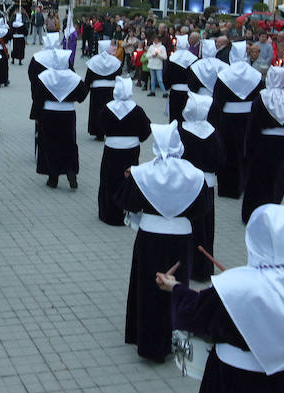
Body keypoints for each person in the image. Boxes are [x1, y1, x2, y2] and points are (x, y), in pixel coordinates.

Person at [158, 204, 284, 392]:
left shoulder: (235, 288)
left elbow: (192, 314)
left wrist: (175, 287)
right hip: (283, 380)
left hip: (232, 378)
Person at [117, 121, 210, 362]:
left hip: (149, 238)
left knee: (148, 287)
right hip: (181, 240)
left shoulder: (144, 172)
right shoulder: (194, 175)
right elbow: (202, 209)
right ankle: (175, 336)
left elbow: (127, 201)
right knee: (177, 287)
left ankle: (149, 342)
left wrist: (132, 177)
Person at [241, 67, 284, 223]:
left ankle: (251, 212)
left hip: (262, 142)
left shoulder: (261, 98)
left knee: (257, 177)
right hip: (283, 143)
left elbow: (253, 125)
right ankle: (272, 210)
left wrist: (248, 147)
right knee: (278, 177)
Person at [178, 92, 223, 282]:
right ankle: (203, 268)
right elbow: (221, 159)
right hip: (207, 185)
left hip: (185, 184)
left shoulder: (181, 131)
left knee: (186, 225)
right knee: (205, 227)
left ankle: (183, 266)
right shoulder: (213, 133)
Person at [97, 77, 151, 226]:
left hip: (112, 149)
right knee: (128, 180)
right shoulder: (137, 110)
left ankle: (109, 213)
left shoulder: (107, 108)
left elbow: (100, 126)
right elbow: (146, 130)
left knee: (109, 179)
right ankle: (127, 211)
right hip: (131, 150)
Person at [213, 41, 263, 198]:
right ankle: (245, 184)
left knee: (228, 153)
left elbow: (218, 98)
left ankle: (228, 188)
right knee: (246, 151)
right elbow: (259, 97)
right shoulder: (255, 74)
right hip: (248, 119)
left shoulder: (225, 75)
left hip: (228, 119)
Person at [34, 49, 90, 189]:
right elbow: (82, 95)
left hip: (49, 114)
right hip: (68, 114)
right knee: (69, 143)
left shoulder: (44, 77)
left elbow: (38, 98)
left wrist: (36, 115)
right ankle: (71, 171)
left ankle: (53, 177)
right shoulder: (73, 78)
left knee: (50, 144)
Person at [85, 40, 123, 140]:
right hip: (110, 89)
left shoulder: (94, 60)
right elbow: (119, 72)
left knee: (97, 110)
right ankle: (110, 130)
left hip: (97, 90)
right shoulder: (114, 61)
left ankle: (98, 132)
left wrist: (85, 88)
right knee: (109, 110)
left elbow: (89, 75)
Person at [163, 35, 198, 122]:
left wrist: (167, 86)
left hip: (176, 91)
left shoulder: (172, 58)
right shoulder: (193, 59)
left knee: (175, 117)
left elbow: (166, 75)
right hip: (190, 92)